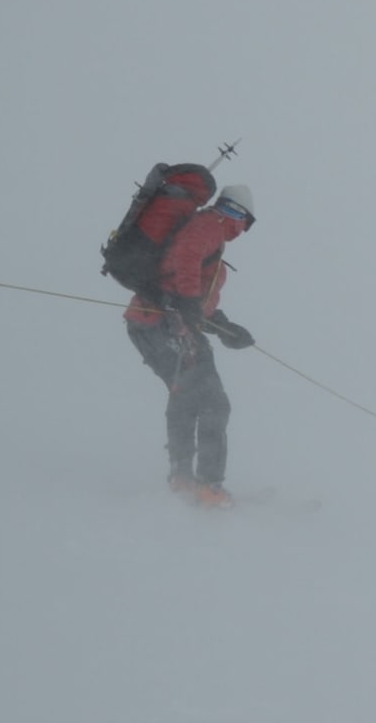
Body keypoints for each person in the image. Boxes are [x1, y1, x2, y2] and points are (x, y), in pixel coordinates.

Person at [124, 184, 258, 508]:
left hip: (152, 323)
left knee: (185, 394)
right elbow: (185, 261)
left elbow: (195, 299)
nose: (241, 229)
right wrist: (185, 305)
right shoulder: (209, 225)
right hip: (162, 324)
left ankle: (182, 478)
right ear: (238, 214)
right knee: (213, 402)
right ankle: (209, 487)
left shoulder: (206, 232)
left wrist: (224, 327)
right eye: (245, 222)